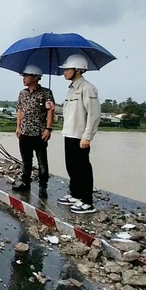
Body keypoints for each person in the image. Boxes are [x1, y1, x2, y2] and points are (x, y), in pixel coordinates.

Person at [57, 54, 101, 214]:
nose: (64, 72)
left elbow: (94, 114)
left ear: (78, 70)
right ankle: (75, 194)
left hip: (80, 136)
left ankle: (87, 201)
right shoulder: (71, 89)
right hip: (69, 133)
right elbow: (68, 111)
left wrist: (87, 137)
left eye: (67, 69)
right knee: (72, 166)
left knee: (83, 168)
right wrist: (53, 107)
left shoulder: (87, 88)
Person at [12, 64, 55, 199]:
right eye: (23, 76)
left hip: (40, 133)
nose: (24, 78)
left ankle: (43, 187)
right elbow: (20, 110)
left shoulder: (46, 93)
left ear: (36, 77)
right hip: (25, 133)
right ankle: (25, 183)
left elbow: (50, 111)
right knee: (26, 161)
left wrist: (48, 129)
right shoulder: (22, 93)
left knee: (42, 162)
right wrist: (18, 127)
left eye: (26, 76)